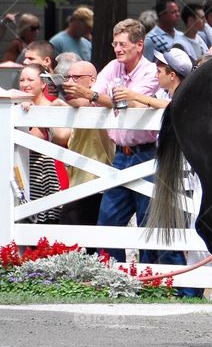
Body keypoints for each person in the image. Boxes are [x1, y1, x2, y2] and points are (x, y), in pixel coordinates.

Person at [63, 19, 165, 263]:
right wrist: (68, 94)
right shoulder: (112, 67)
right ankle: (113, 275)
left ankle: (149, 280)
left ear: (139, 45)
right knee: (108, 218)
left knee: (146, 219)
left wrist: (94, 95)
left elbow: (130, 103)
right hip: (120, 154)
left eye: (122, 44)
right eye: (114, 43)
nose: (117, 49)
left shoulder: (150, 71)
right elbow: (96, 99)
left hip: (146, 153)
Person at [58, 61, 115, 226]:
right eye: (68, 77)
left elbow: (85, 103)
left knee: (72, 237)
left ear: (92, 80)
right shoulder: (74, 105)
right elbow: (61, 136)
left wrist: (61, 98)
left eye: (76, 78)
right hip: (76, 182)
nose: (70, 82)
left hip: (94, 182)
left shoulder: (98, 101)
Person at [17, 64, 70, 224]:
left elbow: (63, 137)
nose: (25, 84)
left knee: (47, 228)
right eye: (21, 80)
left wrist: (36, 116)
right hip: (23, 176)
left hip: (48, 177)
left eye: (30, 80)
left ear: (43, 84)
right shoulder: (16, 108)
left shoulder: (52, 105)